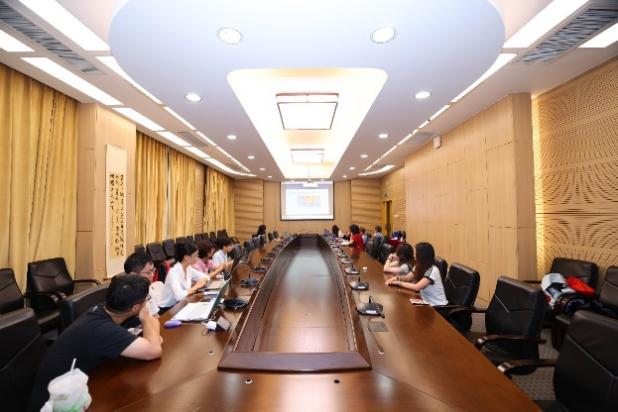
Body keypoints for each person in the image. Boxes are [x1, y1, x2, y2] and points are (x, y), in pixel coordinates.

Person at [28, 274, 162, 411]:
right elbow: (154, 350)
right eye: (146, 300)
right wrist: (146, 321)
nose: (147, 304)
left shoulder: (107, 310)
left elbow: (155, 322)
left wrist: (152, 333)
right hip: (56, 404)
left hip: (81, 390)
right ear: (135, 308)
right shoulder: (102, 329)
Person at [160, 242, 209, 307]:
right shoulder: (173, 272)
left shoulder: (188, 268)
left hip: (181, 303)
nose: (197, 258)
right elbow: (179, 296)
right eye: (195, 255)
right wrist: (196, 286)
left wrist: (201, 282)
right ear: (186, 257)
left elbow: (206, 277)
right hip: (168, 309)